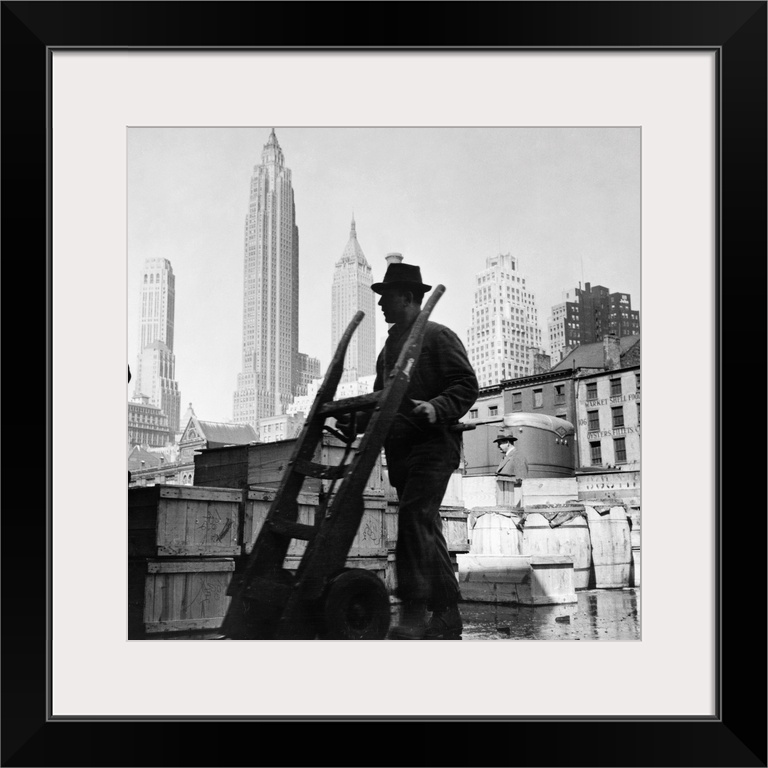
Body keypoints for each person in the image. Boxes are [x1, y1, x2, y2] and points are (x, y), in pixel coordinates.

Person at [338, 263, 478, 640]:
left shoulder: (437, 336)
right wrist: (353, 421)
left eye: (387, 297)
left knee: (415, 519)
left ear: (409, 297)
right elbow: (383, 402)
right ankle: (447, 614)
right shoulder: (388, 351)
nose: (381, 304)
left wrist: (436, 406)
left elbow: (466, 385)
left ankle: (415, 611)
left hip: (434, 447)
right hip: (402, 452)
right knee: (425, 527)